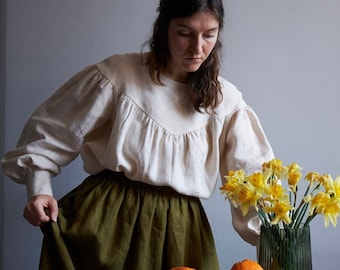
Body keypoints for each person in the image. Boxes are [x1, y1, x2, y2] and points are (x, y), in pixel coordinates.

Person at [1, 0, 274, 269]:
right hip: (106, 224)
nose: (197, 47)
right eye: (184, 33)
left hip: (181, 235)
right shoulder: (119, 75)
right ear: (163, 28)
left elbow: (254, 184)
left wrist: (276, 244)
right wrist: (38, 190)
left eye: (209, 35)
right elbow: (51, 130)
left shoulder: (227, 103)